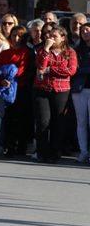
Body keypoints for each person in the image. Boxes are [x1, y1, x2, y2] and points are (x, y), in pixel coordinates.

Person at [33, 26, 77, 163]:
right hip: (42, 88)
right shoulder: (43, 50)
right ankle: (42, 152)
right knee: (43, 121)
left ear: (63, 38)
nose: (50, 38)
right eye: (49, 35)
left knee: (58, 121)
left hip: (61, 90)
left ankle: (55, 151)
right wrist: (46, 50)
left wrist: (50, 70)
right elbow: (40, 66)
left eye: (54, 36)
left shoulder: (70, 52)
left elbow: (70, 70)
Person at [0, 25, 33, 156]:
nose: (16, 38)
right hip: (5, 90)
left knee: (21, 119)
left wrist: (11, 78)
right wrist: (1, 81)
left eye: (19, 36)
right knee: (8, 118)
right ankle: (8, 146)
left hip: (21, 90)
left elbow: (23, 71)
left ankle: (21, 147)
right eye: (14, 35)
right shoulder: (5, 53)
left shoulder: (26, 52)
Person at [72, 22, 90, 163]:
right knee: (81, 121)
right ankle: (84, 151)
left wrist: (83, 69)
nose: (85, 32)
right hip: (80, 89)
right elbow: (74, 69)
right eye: (83, 30)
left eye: (88, 30)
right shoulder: (77, 50)